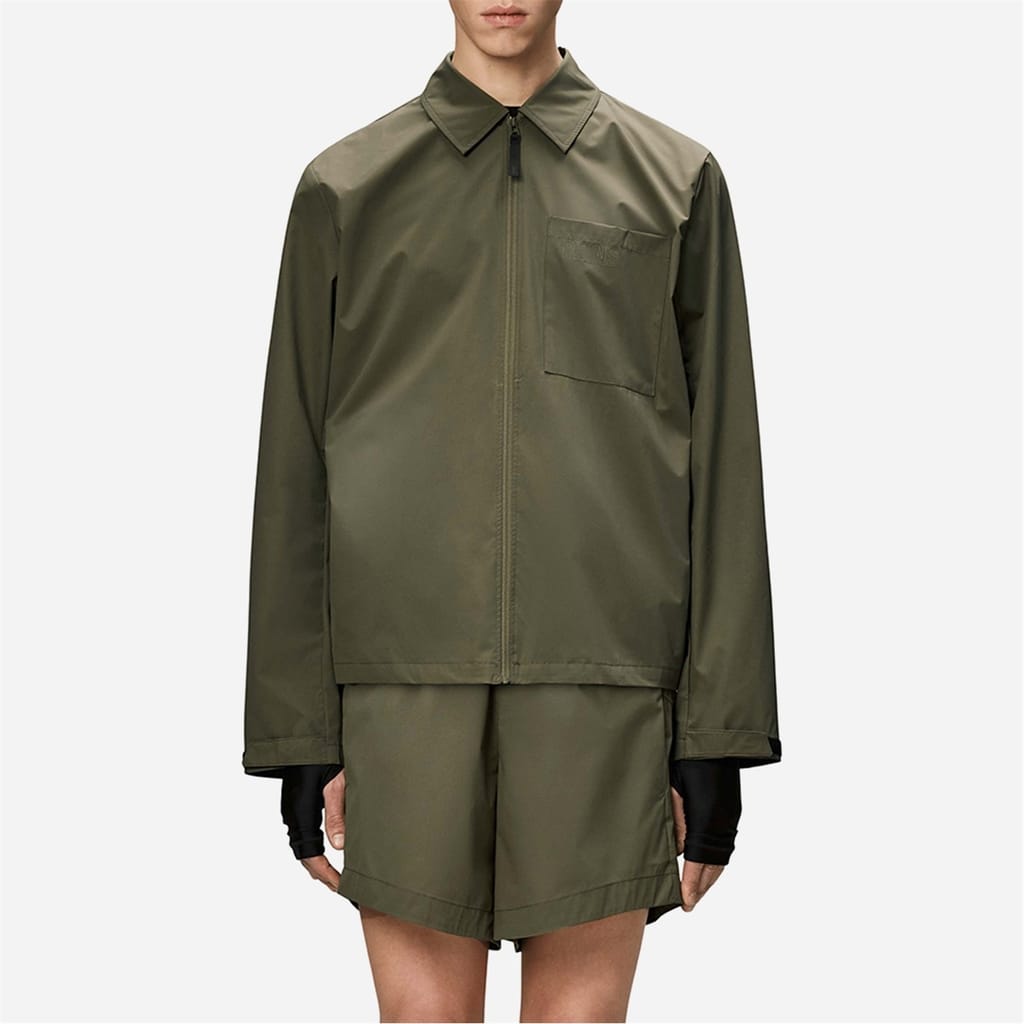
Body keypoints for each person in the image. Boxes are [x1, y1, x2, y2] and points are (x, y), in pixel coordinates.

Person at [241, 2, 782, 1020]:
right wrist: (296, 729)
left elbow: (724, 464)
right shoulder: (346, 187)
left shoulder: (674, 180)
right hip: (400, 693)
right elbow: (295, 465)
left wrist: (719, 734)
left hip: (607, 692)